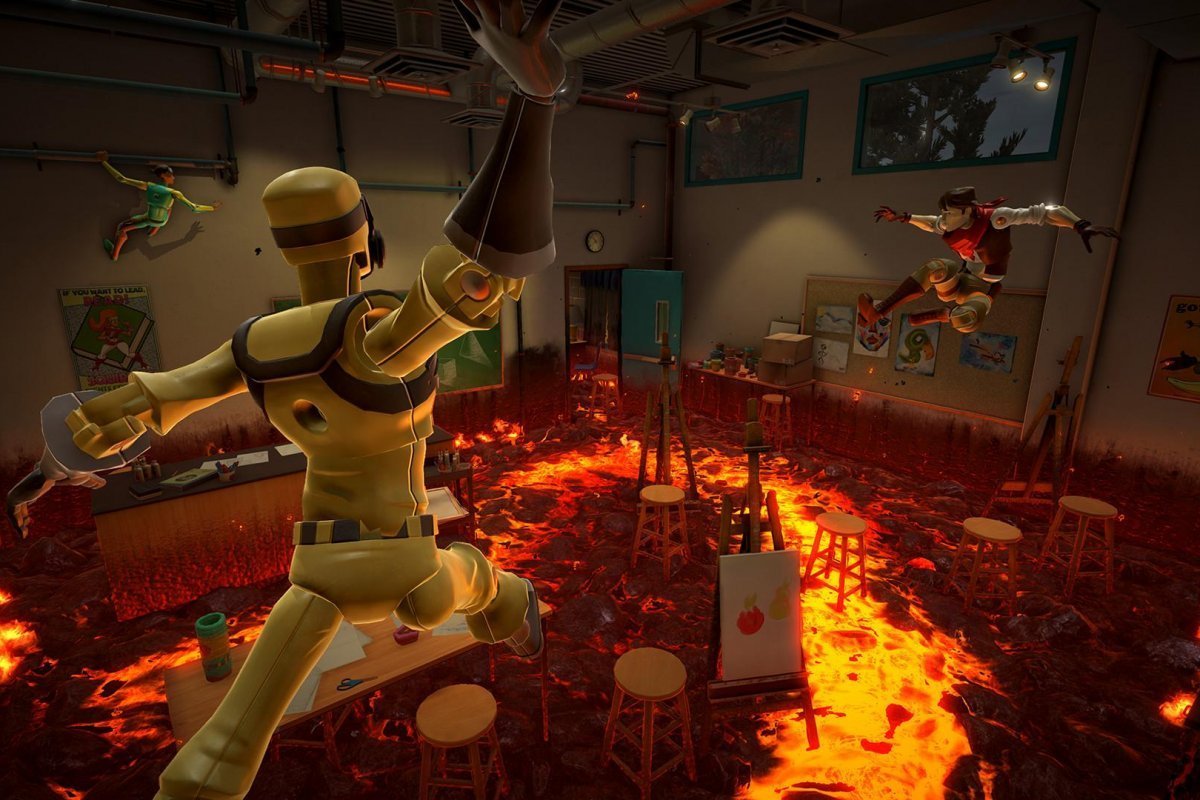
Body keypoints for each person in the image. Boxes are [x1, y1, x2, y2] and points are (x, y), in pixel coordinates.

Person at [7, 1, 566, 797]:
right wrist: (535, 103)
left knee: (244, 721)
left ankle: (497, 596)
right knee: (432, 593)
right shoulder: (372, 337)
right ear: (364, 243)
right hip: (390, 548)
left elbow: (138, 404)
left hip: (325, 558)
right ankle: (500, 593)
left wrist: (57, 461)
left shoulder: (255, 345)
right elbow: (467, 281)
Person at [859, 186, 1119, 333]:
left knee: (965, 321)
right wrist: (904, 217)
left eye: (949, 213)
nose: (944, 219)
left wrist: (1080, 225)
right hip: (958, 281)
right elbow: (931, 223)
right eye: (943, 213)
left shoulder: (996, 218)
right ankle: (879, 311)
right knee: (937, 266)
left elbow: (1044, 213)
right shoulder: (950, 223)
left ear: (967, 210)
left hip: (980, 289)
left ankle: (945, 315)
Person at [97, 154, 221, 261]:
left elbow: (122, 179)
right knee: (169, 205)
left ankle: (115, 253)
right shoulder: (174, 193)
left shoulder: (148, 186)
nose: (173, 178)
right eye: (171, 175)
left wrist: (103, 161)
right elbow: (194, 208)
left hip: (149, 218)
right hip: (162, 221)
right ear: (165, 175)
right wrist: (212, 208)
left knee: (122, 227)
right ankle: (151, 232)